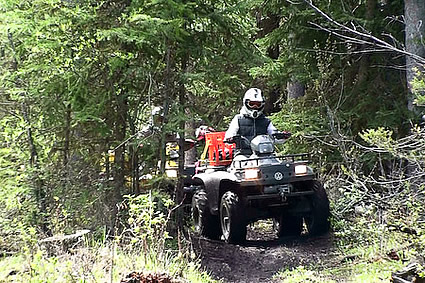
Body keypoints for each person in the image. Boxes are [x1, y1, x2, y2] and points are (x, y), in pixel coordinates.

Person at [224, 88, 280, 155]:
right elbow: (230, 133)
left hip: (264, 154)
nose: (255, 107)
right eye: (252, 104)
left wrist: (281, 136)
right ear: (246, 103)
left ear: (262, 105)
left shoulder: (266, 121)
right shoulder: (238, 119)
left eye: (258, 104)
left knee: (276, 162)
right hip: (243, 154)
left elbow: (274, 135)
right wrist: (231, 139)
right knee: (240, 163)